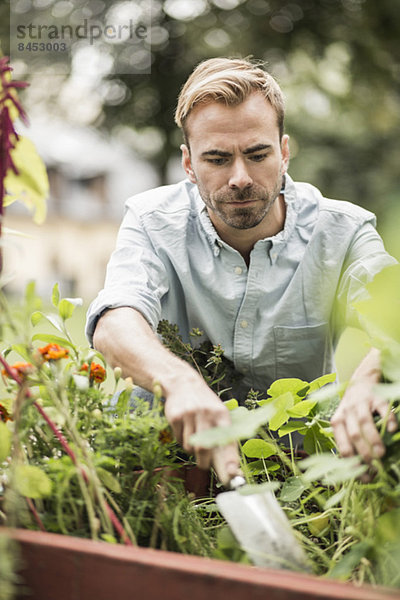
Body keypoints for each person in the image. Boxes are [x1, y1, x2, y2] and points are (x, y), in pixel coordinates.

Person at [86, 57, 397, 486]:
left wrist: (370, 378)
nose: (239, 178)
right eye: (216, 159)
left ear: (284, 153)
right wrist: (178, 381)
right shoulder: (150, 220)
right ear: (189, 164)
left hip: (298, 476)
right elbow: (114, 321)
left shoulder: (342, 231)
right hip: (164, 470)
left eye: (257, 154)